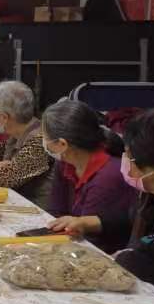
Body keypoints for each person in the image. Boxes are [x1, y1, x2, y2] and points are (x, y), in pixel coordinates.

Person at [43, 100, 136, 253]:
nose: (44, 142)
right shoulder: (65, 163)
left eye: (45, 137)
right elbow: (55, 211)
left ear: (62, 144)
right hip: (72, 242)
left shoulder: (108, 176)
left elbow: (93, 240)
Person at [111, 108, 154, 293]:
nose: (126, 161)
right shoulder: (152, 196)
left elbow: (149, 261)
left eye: (130, 156)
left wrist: (129, 258)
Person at [0, 81, 54, 209]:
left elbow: (5, 179)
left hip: (40, 211)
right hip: (19, 203)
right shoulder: (16, 136)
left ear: (3, 117)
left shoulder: (39, 140)